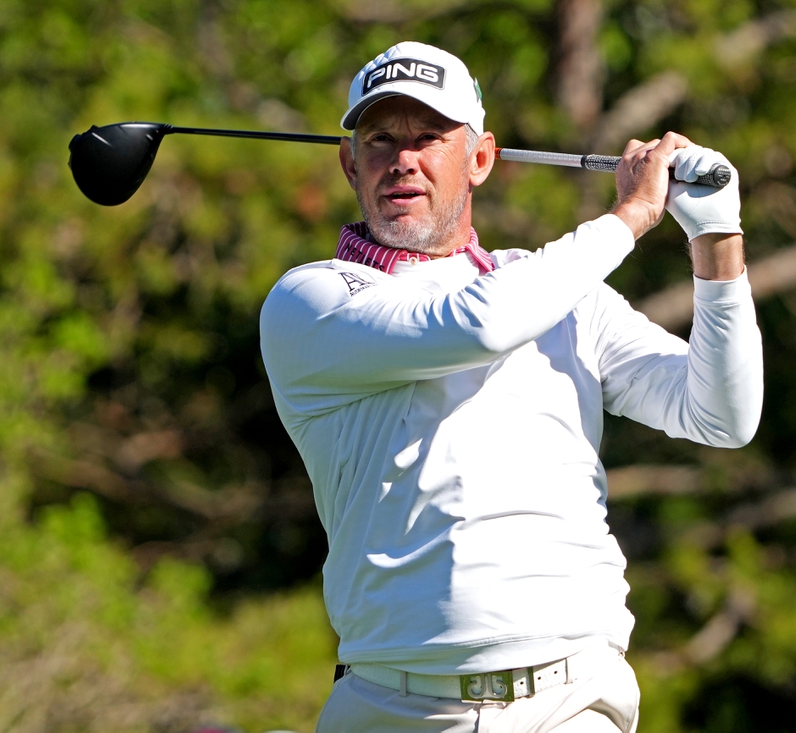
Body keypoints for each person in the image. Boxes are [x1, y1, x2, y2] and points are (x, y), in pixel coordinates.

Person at [259, 41, 763, 733]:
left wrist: (717, 239)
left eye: (430, 136)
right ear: (350, 163)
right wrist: (632, 217)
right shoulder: (313, 301)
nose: (403, 158)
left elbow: (721, 413)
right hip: (396, 706)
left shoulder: (559, 290)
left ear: (482, 159)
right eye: (380, 138)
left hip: (574, 697)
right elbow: (478, 323)